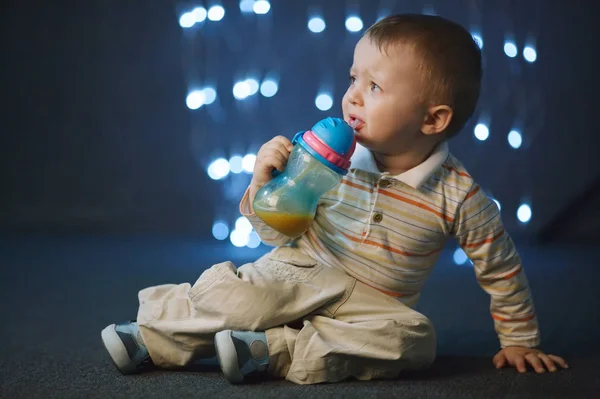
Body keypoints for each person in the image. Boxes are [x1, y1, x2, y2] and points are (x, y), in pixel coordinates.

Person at [101, 14, 568, 384]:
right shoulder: (327, 161)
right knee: (245, 298)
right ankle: (154, 337)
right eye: (353, 80)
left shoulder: (460, 197)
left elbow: (501, 267)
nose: (352, 98)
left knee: (415, 340)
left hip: (371, 303)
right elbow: (279, 226)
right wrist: (266, 184)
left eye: (374, 87)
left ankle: (274, 352)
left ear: (432, 120)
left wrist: (519, 339)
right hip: (303, 270)